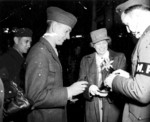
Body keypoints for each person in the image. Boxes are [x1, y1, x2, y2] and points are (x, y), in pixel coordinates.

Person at [25, 6, 88, 122]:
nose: (68, 37)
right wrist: (68, 91)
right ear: (54, 27)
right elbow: (34, 97)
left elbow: (50, 86)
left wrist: (67, 96)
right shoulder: (40, 52)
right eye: (66, 31)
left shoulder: (49, 50)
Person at [104, 0, 150, 122]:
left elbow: (142, 92)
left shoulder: (147, 40)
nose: (128, 30)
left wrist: (114, 81)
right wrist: (129, 76)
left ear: (137, 17)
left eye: (128, 24)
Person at [78, 28, 126, 122]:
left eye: (104, 43)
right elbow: (80, 81)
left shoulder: (119, 57)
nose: (102, 46)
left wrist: (110, 90)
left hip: (112, 104)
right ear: (93, 46)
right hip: (92, 104)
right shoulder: (85, 60)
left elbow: (122, 81)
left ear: (108, 42)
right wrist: (89, 88)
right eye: (98, 44)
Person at [0, 27, 32, 122]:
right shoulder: (6, 59)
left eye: (30, 42)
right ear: (16, 40)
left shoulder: (21, 58)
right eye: (26, 41)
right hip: (13, 109)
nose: (29, 45)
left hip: (20, 107)